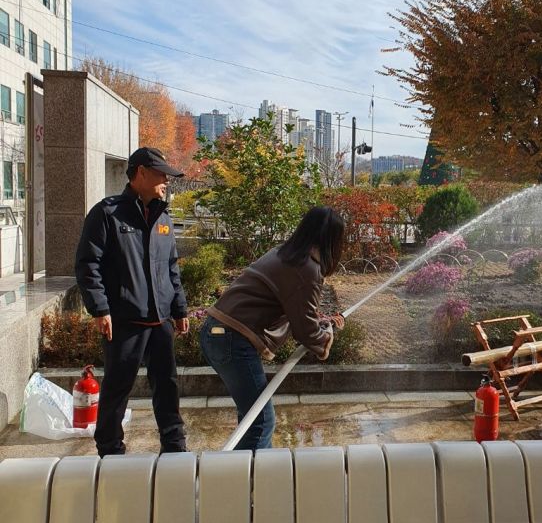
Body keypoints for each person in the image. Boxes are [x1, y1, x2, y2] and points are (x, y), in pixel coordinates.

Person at [75, 146, 190, 456]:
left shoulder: (163, 216)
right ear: (141, 173)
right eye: (161, 174)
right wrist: (100, 308)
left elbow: (170, 267)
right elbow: (88, 264)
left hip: (160, 321)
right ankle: (110, 448)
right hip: (124, 321)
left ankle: (174, 444)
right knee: (117, 388)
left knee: (167, 386)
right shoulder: (108, 213)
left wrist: (179, 308)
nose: (167, 180)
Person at [201, 206, 345, 450]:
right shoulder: (306, 268)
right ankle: (249, 483)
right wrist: (325, 337)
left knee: (252, 419)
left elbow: (296, 312)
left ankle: (242, 475)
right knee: (260, 422)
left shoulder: (285, 254)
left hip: (217, 333)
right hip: (232, 340)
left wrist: (320, 322)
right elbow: (306, 332)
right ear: (332, 240)